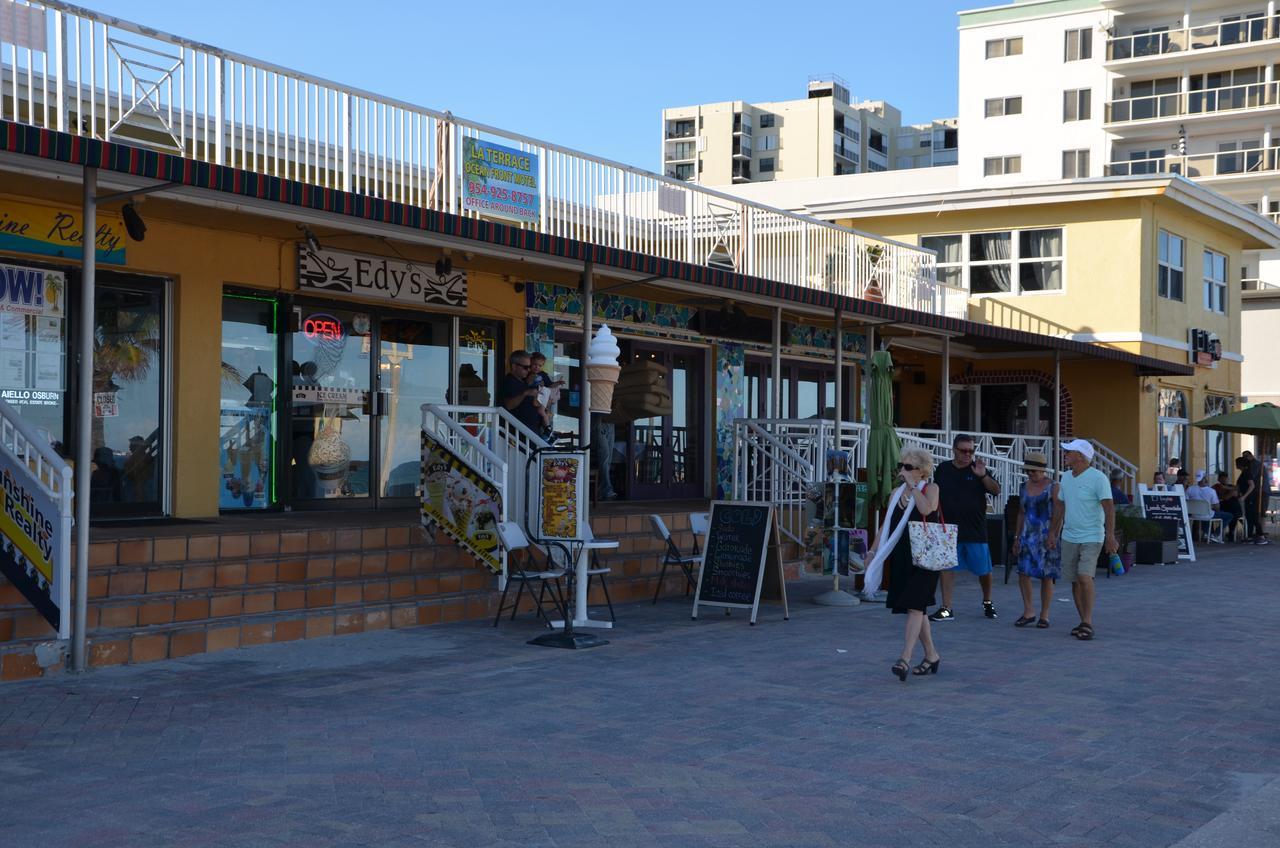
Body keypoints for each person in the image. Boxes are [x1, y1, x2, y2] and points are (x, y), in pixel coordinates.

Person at [865, 446, 942, 681]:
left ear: (921, 470)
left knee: (916, 607)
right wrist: (872, 551)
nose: (903, 471)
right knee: (916, 608)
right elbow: (886, 526)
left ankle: (905, 658)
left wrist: (912, 486)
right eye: (902, 466)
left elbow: (927, 509)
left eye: (908, 467)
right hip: (903, 557)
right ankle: (931, 655)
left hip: (927, 559)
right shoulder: (896, 494)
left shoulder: (931, 488)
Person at [1047, 438, 1117, 642]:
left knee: (1085, 576)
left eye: (1069, 452)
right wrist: (1053, 533)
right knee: (1075, 581)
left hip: (1092, 536)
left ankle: (1087, 622)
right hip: (1069, 536)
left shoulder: (1099, 478)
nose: (1065, 454)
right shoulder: (1066, 477)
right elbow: (1060, 507)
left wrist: (1110, 535)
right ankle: (1083, 621)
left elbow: (1109, 507)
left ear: (1080, 456)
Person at [930, 434, 1001, 622]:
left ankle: (987, 601)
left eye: (971, 451)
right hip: (948, 529)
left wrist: (983, 475)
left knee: (984, 570)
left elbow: (996, 490)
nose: (967, 454)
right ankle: (947, 608)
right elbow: (935, 492)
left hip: (975, 529)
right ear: (954, 450)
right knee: (946, 568)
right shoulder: (943, 469)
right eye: (963, 450)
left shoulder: (977, 469)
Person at [1012, 452, 1060, 629]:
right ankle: (1028, 610)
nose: (1030, 474)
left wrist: (1053, 534)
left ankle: (1045, 615)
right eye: (1028, 471)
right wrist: (1016, 537)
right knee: (1023, 573)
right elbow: (1021, 512)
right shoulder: (1024, 487)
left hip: (1046, 535)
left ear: (1042, 470)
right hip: (1027, 535)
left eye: (1033, 470)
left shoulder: (1053, 486)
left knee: (1046, 576)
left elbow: (1059, 513)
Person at [498, 350, 544, 435]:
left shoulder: (523, 382)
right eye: (526, 367)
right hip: (517, 434)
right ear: (514, 366)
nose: (529, 370)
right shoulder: (509, 382)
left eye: (530, 367)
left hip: (530, 431)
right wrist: (525, 393)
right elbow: (508, 405)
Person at [1186, 471, 1231, 543]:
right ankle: (1215, 535)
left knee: (1206, 512)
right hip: (1207, 515)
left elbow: (1186, 501)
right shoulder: (1211, 491)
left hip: (1193, 515)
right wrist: (1213, 508)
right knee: (1229, 515)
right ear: (1204, 479)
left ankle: (1207, 533)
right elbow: (1217, 507)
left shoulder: (1190, 489)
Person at [1242, 450, 1270, 545]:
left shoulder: (1255, 465)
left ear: (1250, 456)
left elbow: (1251, 478)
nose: (1244, 459)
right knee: (1255, 513)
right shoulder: (1252, 465)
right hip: (1258, 491)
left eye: (1245, 457)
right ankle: (1259, 533)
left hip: (1261, 491)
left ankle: (1261, 534)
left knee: (1260, 512)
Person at [1214, 471, 1243, 540]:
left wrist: (1225, 489)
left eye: (1225, 478)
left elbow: (1234, 492)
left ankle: (1231, 533)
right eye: (1222, 478)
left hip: (1234, 509)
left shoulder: (1232, 487)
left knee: (1234, 515)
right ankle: (1215, 533)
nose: (1224, 480)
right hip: (1223, 509)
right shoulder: (1216, 486)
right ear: (1219, 479)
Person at [1236, 456, 1259, 542]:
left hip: (1250, 498)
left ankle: (1259, 535)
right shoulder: (1243, 473)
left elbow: (1252, 485)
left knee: (1252, 517)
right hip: (1246, 497)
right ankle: (1250, 535)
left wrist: (1244, 496)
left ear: (1240, 465)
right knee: (1249, 517)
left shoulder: (1246, 473)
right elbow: (1238, 487)